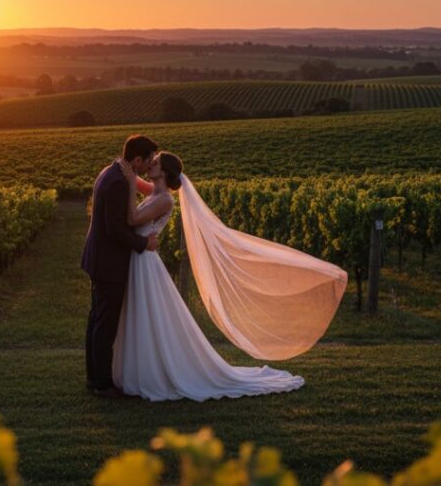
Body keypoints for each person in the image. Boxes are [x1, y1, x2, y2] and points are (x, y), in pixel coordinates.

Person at [112, 152, 347, 401]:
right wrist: (127, 168)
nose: (151, 164)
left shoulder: (165, 200)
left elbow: (133, 218)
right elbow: (139, 183)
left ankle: (153, 373)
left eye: (156, 162)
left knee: (151, 316)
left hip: (145, 263)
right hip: (141, 259)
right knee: (143, 315)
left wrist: (128, 184)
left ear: (166, 171)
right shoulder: (155, 192)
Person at [81, 134, 159, 398]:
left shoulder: (114, 171)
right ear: (136, 160)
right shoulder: (117, 182)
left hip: (100, 257)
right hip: (108, 261)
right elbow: (115, 230)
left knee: (97, 320)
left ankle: (95, 378)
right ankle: (102, 383)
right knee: (105, 323)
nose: (149, 168)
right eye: (147, 163)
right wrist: (143, 243)